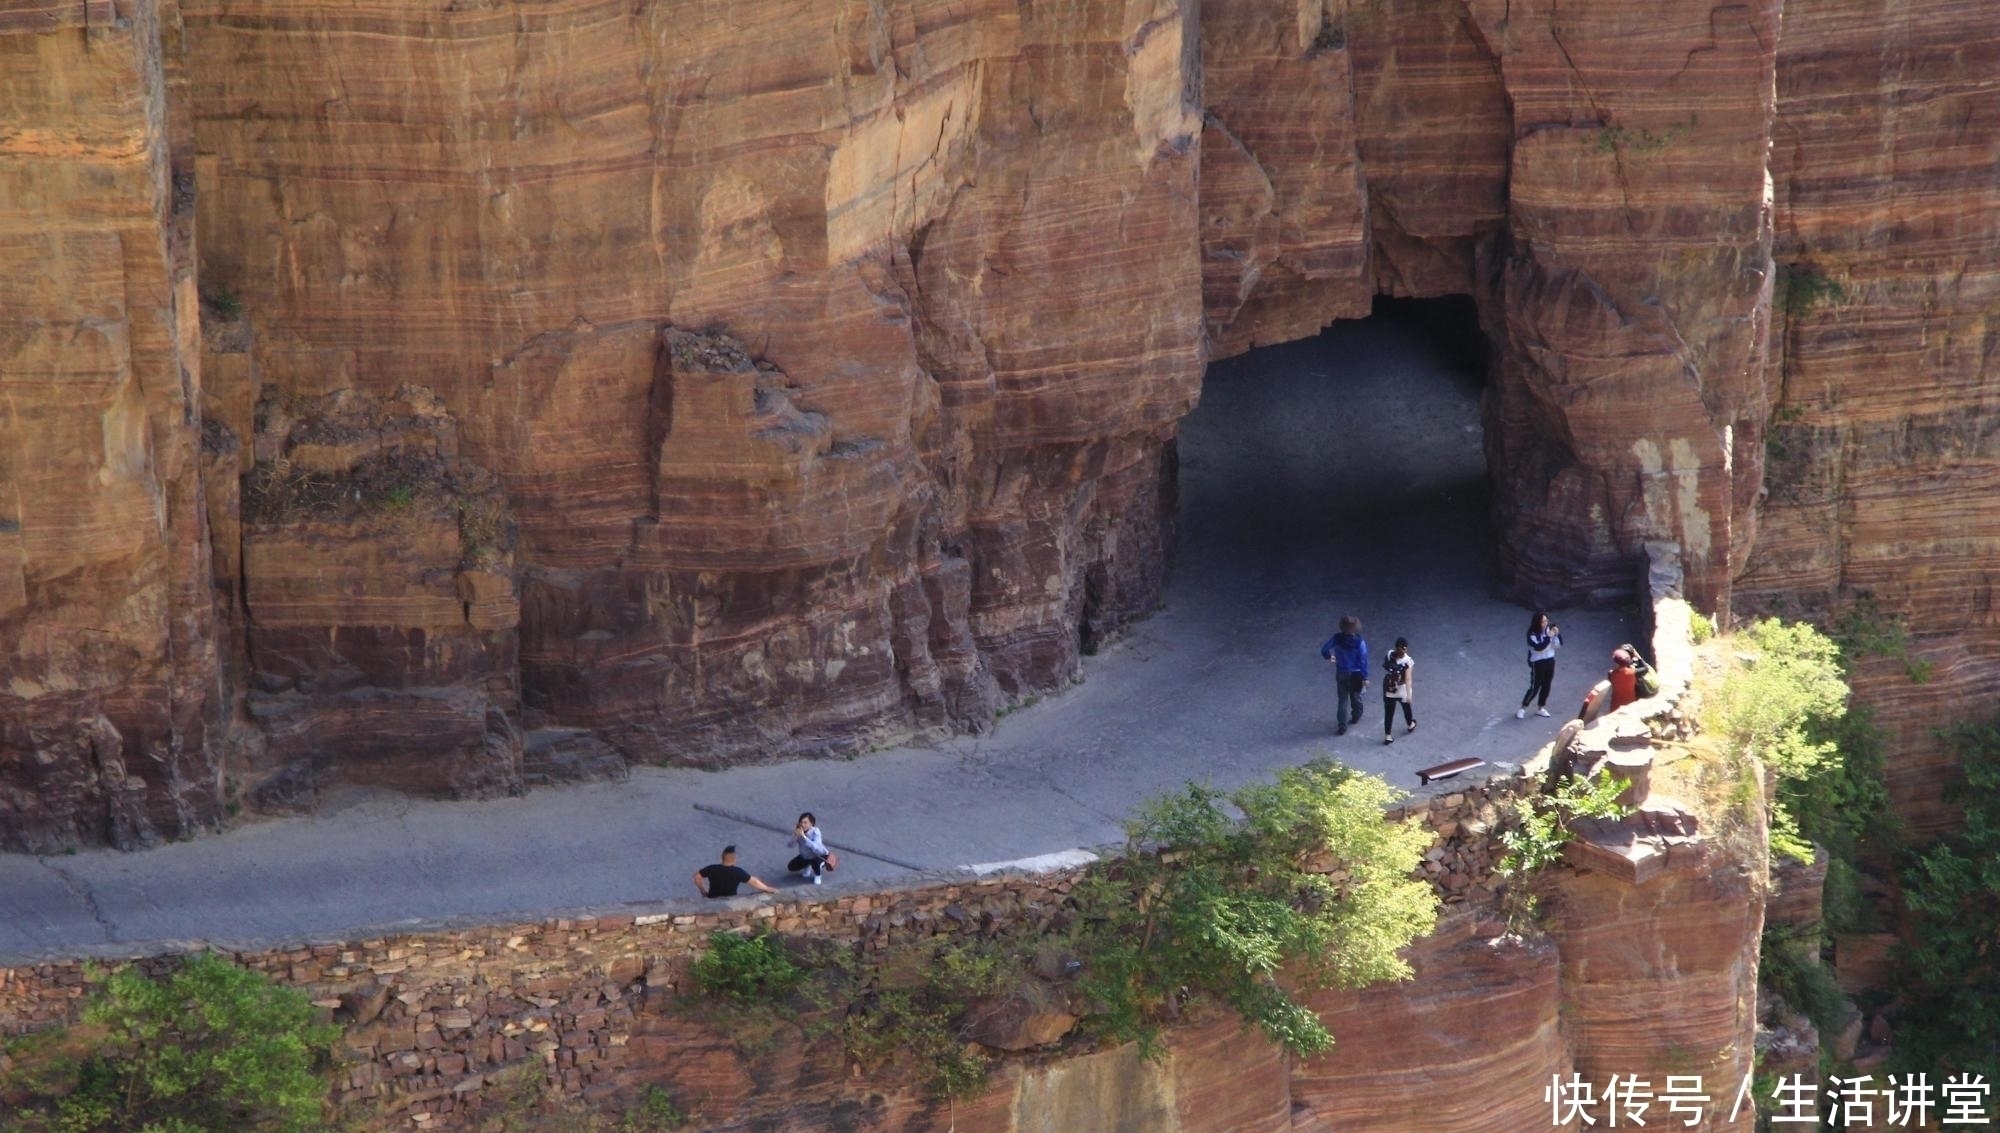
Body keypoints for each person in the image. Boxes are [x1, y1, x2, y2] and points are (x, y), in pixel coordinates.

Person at [1320, 615, 1370, 735]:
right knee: (1355, 696)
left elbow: (1324, 649)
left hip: (1341, 672)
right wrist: (1365, 677)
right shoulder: (1360, 642)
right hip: (1356, 673)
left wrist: (1329, 657)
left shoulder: (1337, 638)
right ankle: (1356, 716)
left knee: (1342, 699)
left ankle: (1342, 726)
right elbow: (1363, 660)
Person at [1517, 611, 1562, 719]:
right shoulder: (1531, 634)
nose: (1545, 624)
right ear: (1537, 623)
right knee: (1535, 686)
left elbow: (1558, 644)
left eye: (1546, 621)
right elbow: (1539, 647)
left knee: (1547, 684)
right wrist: (1549, 637)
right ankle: (1523, 707)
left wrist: (1557, 634)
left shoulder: (1550, 629)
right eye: (1542, 622)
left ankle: (1541, 707)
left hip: (1550, 660)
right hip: (1538, 662)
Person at [693, 845, 776, 898]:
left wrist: (702, 890)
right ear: (734, 859)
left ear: (722, 857)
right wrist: (767, 888)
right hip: (731, 899)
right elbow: (754, 882)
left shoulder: (711, 868)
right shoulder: (738, 872)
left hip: (712, 897)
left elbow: (697, 876)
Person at [787, 812, 839, 884]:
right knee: (791, 866)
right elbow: (790, 846)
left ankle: (818, 875)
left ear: (811, 823)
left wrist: (804, 837)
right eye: (801, 822)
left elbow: (816, 847)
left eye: (805, 823)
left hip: (819, 855)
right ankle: (807, 865)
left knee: (815, 862)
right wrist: (795, 837)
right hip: (805, 856)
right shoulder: (799, 831)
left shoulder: (815, 831)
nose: (803, 825)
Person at [1381, 637, 1416, 744]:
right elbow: (1408, 679)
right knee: (1406, 709)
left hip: (1389, 688)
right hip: (1401, 689)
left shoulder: (1389, 654)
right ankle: (1410, 724)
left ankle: (1388, 735)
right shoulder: (1408, 661)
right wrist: (1409, 694)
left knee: (1389, 713)